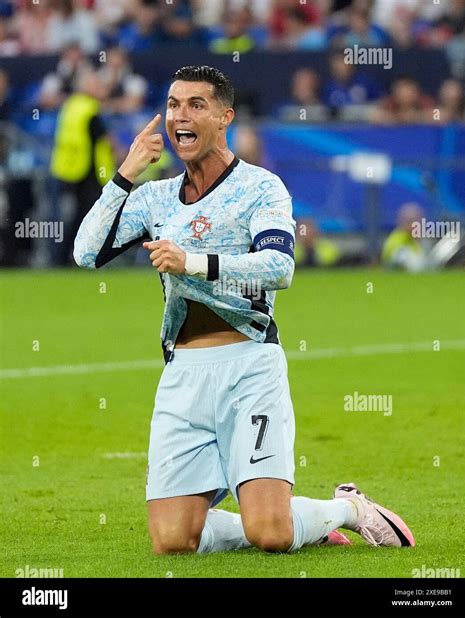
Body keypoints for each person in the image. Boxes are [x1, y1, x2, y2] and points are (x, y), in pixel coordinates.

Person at [74, 65, 415, 554]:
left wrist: (191, 262)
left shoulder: (261, 187)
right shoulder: (154, 198)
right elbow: (86, 252)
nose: (180, 116)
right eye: (172, 104)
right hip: (184, 374)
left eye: (196, 104)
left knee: (271, 535)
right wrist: (126, 173)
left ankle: (348, 508)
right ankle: (303, 521)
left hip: (250, 367)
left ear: (224, 116)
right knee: (172, 542)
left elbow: (279, 267)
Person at [50, 68, 115, 265]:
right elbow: (104, 139)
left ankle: (63, 258)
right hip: (87, 172)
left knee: (75, 216)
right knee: (88, 217)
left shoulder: (71, 105)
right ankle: (83, 256)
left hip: (69, 169)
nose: (101, 87)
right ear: (87, 86)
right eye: (97, 84)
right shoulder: (89, 108)